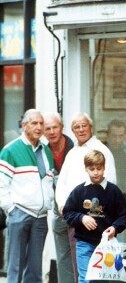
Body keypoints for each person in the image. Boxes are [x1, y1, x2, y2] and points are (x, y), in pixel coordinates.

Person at [55, 112, 116, 282]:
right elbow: (62, 184)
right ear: (72, 131)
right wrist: (62, 205)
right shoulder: (72, 153)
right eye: (76, 127)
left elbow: (110, 185)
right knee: (80, 267)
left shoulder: (102, 150)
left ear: (91, 127)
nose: (81, 130)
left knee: (100, 268)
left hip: (97, 220)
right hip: (75, 218)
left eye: (84, 125)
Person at [0, 109, 55, 283]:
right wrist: (11, 210)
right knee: (15, 265)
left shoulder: (46, 151)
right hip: (20, 214)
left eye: (41, 123)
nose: (39, 127)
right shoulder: (10, 150)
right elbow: (1, 185)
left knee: (35, 268)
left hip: (41, 217)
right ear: (24, 126)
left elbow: (48, 181)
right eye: (34, 123)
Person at [63, 150, 126, 283]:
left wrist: (115, 228)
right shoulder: (79, 191)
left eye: (99, 168)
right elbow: (67, 213)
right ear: (86, 169)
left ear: (104, 167)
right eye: (91, 169)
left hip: (106, 244)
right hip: (84, 243)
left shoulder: (113, 191)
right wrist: (81, 218)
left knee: (102, 279)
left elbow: (123, 216)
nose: (96, 172)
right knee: (85, 278)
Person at [43, 112, 74, 283]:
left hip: (76, 208)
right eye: (48, 128)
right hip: (57, 210)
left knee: (79, 252)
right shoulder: (43, 152)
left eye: (55, 127)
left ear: (62, 128)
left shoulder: (75, 149)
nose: (52, 131)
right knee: (62, 255)